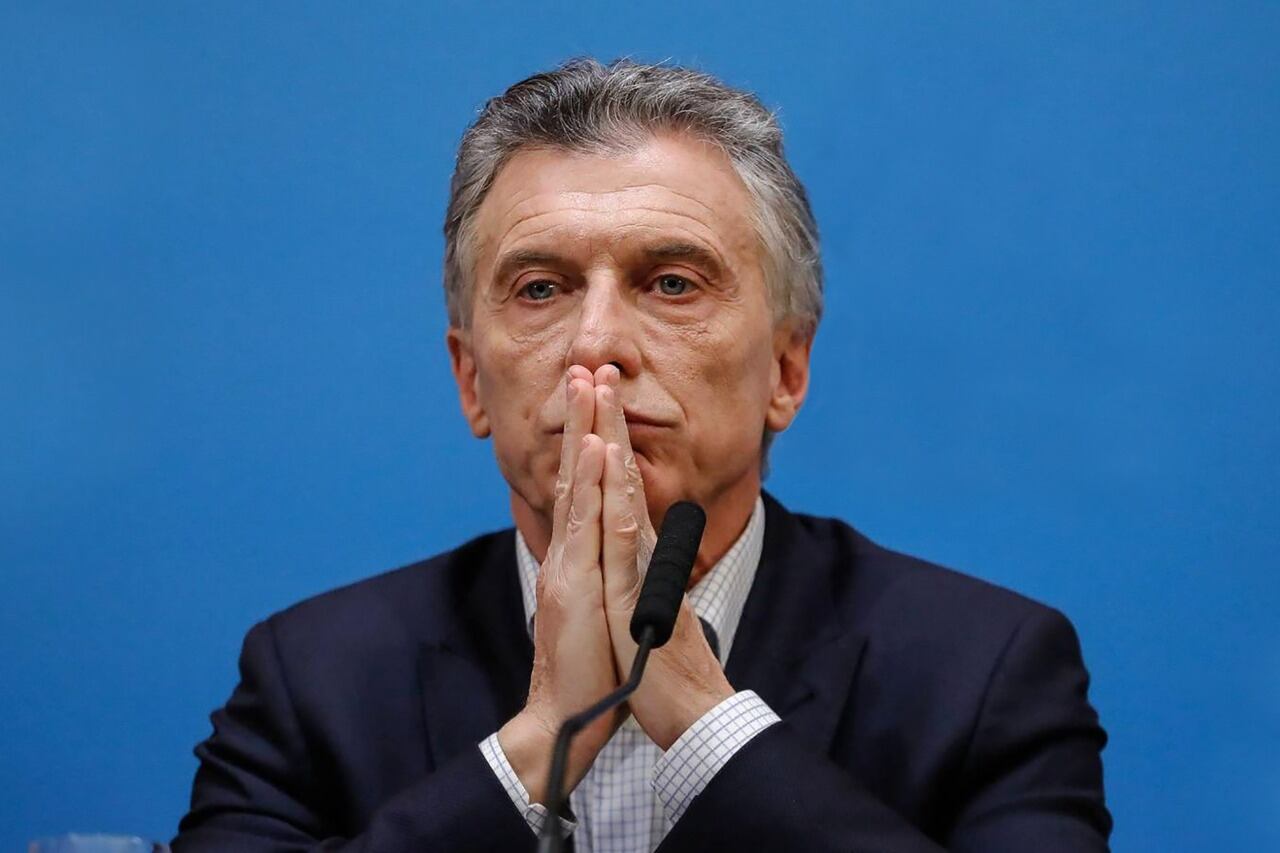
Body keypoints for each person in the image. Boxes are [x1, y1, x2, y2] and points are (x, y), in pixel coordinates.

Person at [173, 58, 1111, 852]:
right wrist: (540, 742)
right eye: (540, 289)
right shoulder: (312, 679)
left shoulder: (984, 671)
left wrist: (704, 722)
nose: (597, 344)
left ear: (787, 369)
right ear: (470, 381)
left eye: (671, 282)